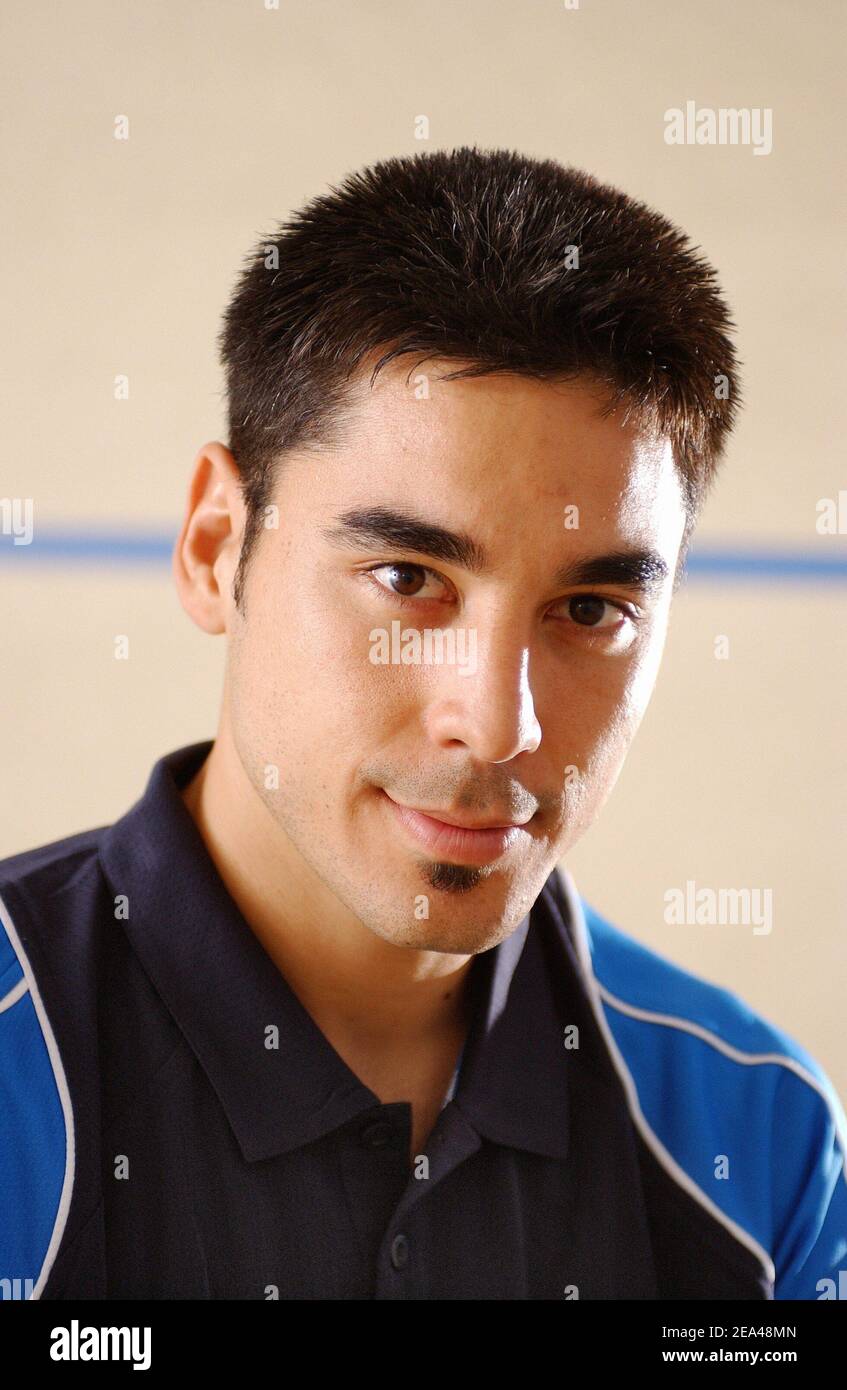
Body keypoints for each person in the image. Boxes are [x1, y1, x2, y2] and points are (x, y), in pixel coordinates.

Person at [1, 146, 844, 1301]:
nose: (496, 723)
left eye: (590, 609)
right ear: (215, 547)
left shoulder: (757, 1141)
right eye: (406, 578)